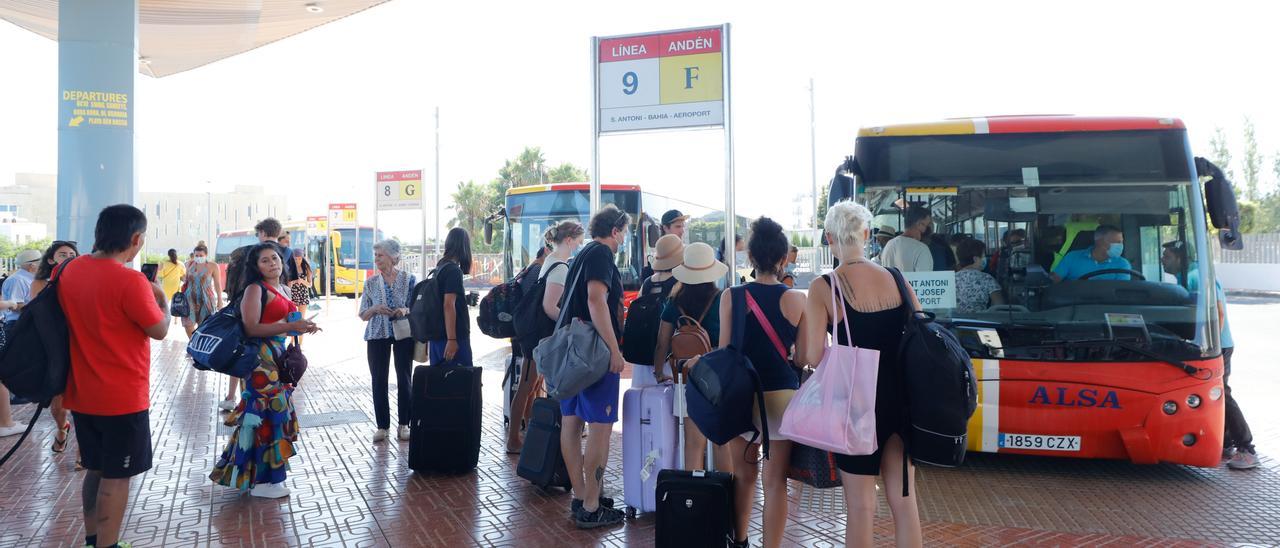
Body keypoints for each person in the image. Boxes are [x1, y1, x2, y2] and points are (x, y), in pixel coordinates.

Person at [797, 200, 923, 548]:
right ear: (866, 234)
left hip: (856, 406)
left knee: (861, 506)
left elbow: (810, 355)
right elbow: (921, 330)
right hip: (900, 402)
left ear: (828, 238)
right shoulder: (896, 279)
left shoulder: (826, 286)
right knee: (905, 501)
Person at [58, 205, 170, 548]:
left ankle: (93, 539)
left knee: (94, 467)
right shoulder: (130, 280)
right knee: (117, 477)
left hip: (80, 391)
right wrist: (163, 301)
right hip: (121, 397)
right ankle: (107, 545)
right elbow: (160, 330)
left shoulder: (69, 270)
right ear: (135, 239)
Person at [708, 217, 803, 548]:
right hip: (781, 396)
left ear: (750, 257)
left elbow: (724, 351)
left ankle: (740, 541)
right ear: (782, 259)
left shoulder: (731, 297)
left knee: (744, 477)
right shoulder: (796, 299)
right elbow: (803, 357)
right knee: (775, 481)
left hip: (741, 396)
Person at [210, 243, 318, 498]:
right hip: (260, 361)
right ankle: (261, 482)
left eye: (275, 258)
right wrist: (285, 327)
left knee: (275, 414)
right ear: (255, 266)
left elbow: (283, 323)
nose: (273, 264)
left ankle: (269, 478)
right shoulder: (254, 289)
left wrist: (302, 327)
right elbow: (251, 328)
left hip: (277, 359)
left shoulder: (283, 288)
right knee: (264, 416)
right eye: (265, 260)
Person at [559, 205, 629, 529]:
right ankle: (591, 505)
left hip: (571, 353)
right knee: (600, 427)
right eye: (624, 232)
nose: (624, 238)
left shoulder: (582, 254)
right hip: (594, 354)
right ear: (615, 231)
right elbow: (595, 299)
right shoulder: (602, 253)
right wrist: (614, 349)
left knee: (570, 424)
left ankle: (582, 495)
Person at [1160, 241, 1256, 470]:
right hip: (1214, 345)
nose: (1163, 260)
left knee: (1221, 392)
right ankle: (1226, 444)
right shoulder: (1190, 275)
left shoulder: (1196, 276)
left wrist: (1208, 344)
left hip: (1217, 346)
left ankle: (1247, 448)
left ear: (1180, 258)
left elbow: (1217, 312)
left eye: (1167, 256)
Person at [651, 241, 730, 472]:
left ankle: (693, 501)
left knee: (693, 444)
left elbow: (662, 342)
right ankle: (725, 498)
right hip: (716, 377)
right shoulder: (721, 298)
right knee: (721, 442)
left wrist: (658, 372)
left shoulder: (675, 302)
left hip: (685, 377)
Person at [511, 220, 584, 454]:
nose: (579, 246)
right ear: (570, 240)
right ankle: (514, 439)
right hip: (539, 336)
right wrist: (568, 324)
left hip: (533, 333)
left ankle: (527, 434)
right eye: (579, 241)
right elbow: (550, 306)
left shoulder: (550, 261)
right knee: (526, 386)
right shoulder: (560, 267)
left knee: (530, 386)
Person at [360, 240, 417, 443]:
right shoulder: (371, 283)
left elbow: (416, 308)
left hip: (403, 333)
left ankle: (404, 425)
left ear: (393, 257)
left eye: (380, 255)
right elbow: (362, 315)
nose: (376, 259)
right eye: (375, 255)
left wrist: (405, 310)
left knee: (404, 379)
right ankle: (382, 426)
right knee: (379, 380)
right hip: (377, 334)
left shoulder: (410, 279)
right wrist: (375, 309)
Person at [28, 240, 79, 453]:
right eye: (62, 254)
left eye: (71, 254)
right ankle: (62, 428)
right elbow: (38, 315)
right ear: (51, 259)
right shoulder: (40, 284)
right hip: (54, 348)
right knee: (58, 405)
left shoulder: (84, 282)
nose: (67, 257)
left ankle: (82, 450)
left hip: (80, 345)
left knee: (83, 399)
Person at [2, 248, 41, 410]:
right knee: (18, 360)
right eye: (40, 263)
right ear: (32, 266)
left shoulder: (29, 279)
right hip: (17, 325)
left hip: (24, 324)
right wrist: (39, 306)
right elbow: (15, 306)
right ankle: (18, 394)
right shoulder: (18, 280)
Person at [431, 227, 474, 367]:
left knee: (440, 383)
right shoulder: (454, 270)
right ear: (464, 246)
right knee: (461, 383)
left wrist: (464, 300)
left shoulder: (440, 267)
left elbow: (442, 300)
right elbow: (448, 305)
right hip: (453, 337)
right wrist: (452, 339)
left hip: (437, 336)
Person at [225, 218, 295, 300]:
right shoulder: (288, 252)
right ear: (278, 233)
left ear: (263, 232)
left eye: (257, 234)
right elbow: (290, 281)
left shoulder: (244, 251)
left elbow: (233, 278)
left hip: (252, 296)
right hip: (279, 297)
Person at [1051, 224, 1131, 282]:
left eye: (1121, 242)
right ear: (1100, 242)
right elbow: (1053, 282)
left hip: (1108, 305)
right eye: (1117, 242)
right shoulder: (1072, 257)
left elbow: (1121, 294)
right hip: (1074, 304)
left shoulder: (1122, 264)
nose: (1120, 246)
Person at [954, 238, 1004, 314]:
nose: (985, 259)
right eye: (983, 256)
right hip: (980, 323)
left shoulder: (951, 279)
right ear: (976, 259)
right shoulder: (987, 278)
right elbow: (999, 306)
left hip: (956, 323)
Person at [879, 205, 933, 273]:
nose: (927, 229)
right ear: (920, 224)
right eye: (927, 225)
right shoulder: (921, 249)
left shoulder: (889, 245)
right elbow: (924, 280)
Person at [640, 209, 689, 280]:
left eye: (683, 226)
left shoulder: (687, 253)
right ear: (665, 228)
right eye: (678, 226)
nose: (682, 231)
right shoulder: (653, 260)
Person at [158, 249, 186, 325]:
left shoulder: (164, 263)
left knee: (165, 302)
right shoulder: (180, 264)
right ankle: (176, 320)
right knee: (176, 302)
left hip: (166, 285)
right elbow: (183, 275)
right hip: (176, 285)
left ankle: (164, 317)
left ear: (168, 255)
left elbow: (160, 275)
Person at [288, 247, 313, 314]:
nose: (297, 261)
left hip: (303, 294)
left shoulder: (306, 268)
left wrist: (302, 281)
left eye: (299, 259)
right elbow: (287, 285)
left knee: (301, 318)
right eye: (295, 259)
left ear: (302, 258)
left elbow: (310, 285)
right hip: (292, 295)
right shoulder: (289, 268)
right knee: (293, 318)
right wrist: (294, 282)